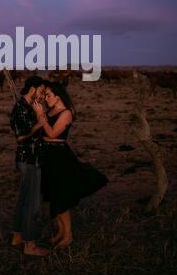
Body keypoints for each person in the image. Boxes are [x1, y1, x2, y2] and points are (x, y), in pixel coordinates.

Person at [33, 81, 108, 248]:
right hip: (48, 155)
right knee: (54, 195)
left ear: (58, 96)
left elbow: (52, 133)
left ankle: (68, 236)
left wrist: (41, 117)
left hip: (59, 156)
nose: (46, 98)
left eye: (49, 95)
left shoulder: (66, 113)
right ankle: (61, 232)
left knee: (61, 196)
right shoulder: (50, 111)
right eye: (45, 95)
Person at [9, 76, 49, 257]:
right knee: (32, 204)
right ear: (32, 89)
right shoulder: (20, 109)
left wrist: (40, 113)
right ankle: (30, 245)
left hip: (34, 159)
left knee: (24, 199)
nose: (41, 95)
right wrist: (39, 123)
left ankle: (17, 237)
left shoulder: (31, 107)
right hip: (29, 160)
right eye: (40, 91)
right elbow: (21, 137)